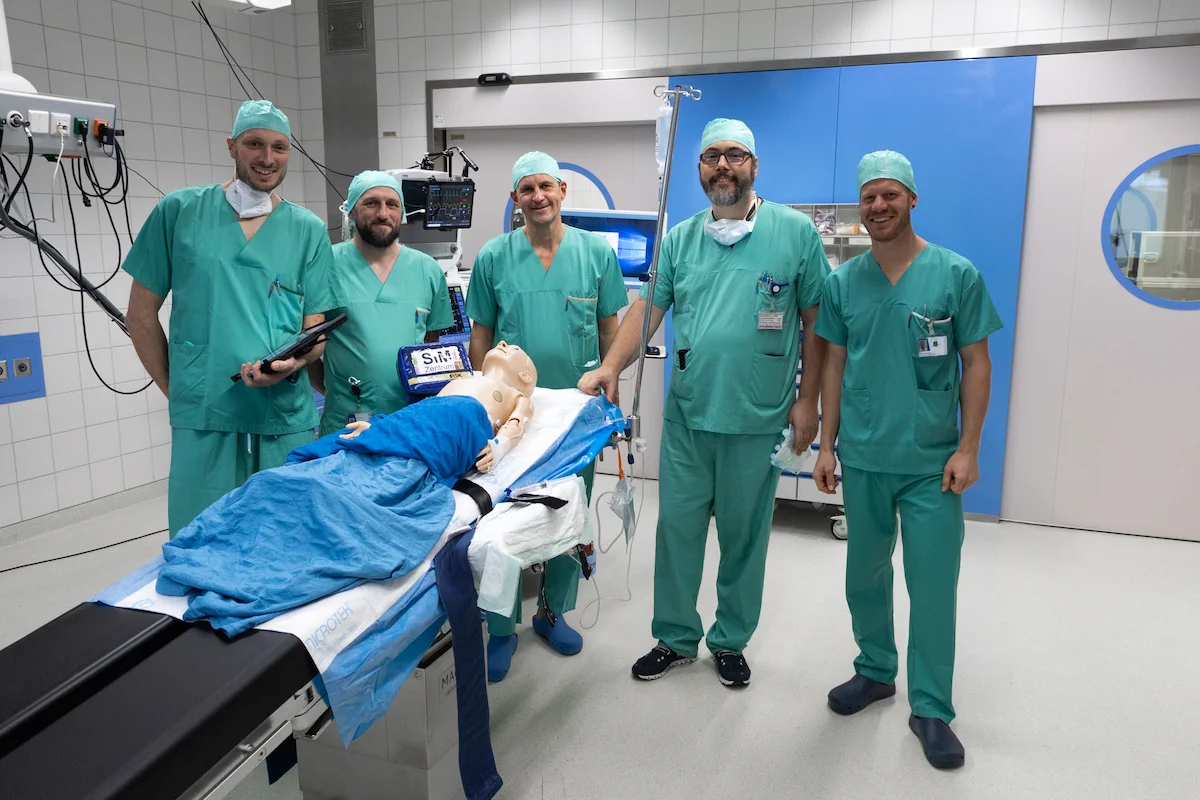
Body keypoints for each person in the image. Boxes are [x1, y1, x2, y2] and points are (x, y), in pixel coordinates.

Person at [579, 118, 830, 688]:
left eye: (735, 156)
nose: (723, 166)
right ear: (698, 168)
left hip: (758, 416)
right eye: (711, 156)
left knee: (745, 538)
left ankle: (731, 640)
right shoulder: (681, 239)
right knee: (678, 534)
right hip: (690, 416)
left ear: (754, 166)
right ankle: (673, 636)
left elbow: (816, 324)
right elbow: (648, 311)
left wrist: (807, 401)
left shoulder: (794, 234)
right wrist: (610, 366)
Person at [812, 151, 1003, 770]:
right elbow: (834, 366)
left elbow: (976, 363)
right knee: (863, 575)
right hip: (864, 453)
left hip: (931, 460)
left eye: (890, 195)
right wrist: (825, 445)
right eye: (868, 197)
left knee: (931, 583)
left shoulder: (955, 274)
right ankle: (874, 671)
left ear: (912, 199)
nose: (878, 207)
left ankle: (932, 708)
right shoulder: (844, 283)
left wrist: (968, 448)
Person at [124, 99, 334, 538]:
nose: (267, 158)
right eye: (254, 144)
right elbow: (140, 317)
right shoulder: (180, 213)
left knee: (286, 541)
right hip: (204, 417)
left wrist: (292, 364)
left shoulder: (307, 229)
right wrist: (179, 390)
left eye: (279, 147)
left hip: (283, 415)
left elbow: (315, 333)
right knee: (201, 542)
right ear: (231, 147)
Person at [465, 150, 628, 681]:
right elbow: (480, 341)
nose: (537, 197)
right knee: (504, 519)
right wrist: (480, 410)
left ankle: (551, 612)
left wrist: (609, 404)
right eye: (526, 189)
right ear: (515, 199)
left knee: (567, 512)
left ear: (562, 191)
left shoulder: (594, 255)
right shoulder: (492, 258)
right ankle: (501, 626)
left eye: (545, 187)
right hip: (514, 415)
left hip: (575, 415)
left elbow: (611, 335)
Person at [309, 170, 454, 436]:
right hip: (346, 418)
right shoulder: (325, 265)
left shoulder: (427, 270)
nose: (383, 213)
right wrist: (336, 389)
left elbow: (430, 346)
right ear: (351, 211)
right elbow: (306, 345)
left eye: (392, 204)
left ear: (402, 213)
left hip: (410, 418)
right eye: (371, 203)